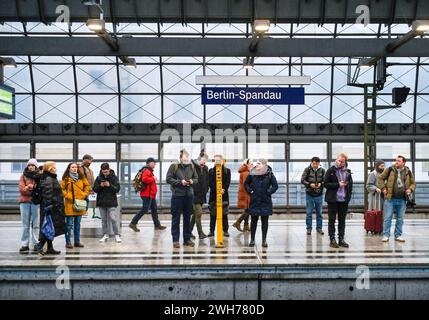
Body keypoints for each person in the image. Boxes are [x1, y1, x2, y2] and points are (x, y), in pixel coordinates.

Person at [377, 155, 416, 243]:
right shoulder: (390, 169)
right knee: (388, 217)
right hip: (390, 198)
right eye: (396, 160)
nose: (396, 162)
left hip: (402, 199)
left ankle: (398, 235)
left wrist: (410, 189)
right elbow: (380, 178)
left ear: (403, 163)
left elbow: (413, 183)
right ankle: (386, 235)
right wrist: (383, 188)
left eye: (398, 161)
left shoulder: (408, 172)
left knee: (400, 218)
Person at [166, 149, 199, 248]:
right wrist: (181, 182)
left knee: (187, 218)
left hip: (189, 196)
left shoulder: (192, 167)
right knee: (176, 218)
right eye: (184, 157)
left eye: (187, 157)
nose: (186, 159)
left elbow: (196, 178)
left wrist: (192, 181)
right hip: (177, 196)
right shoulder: (174, 166)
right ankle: (175, 240)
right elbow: (168, 179)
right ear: (180, 158)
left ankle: (187, 239)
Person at [244, 159, 278, 247]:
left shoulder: (269, 174)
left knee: (264, 221)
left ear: (264, 165)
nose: (257, 165)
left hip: (265, 200)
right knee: (254, 221)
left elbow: (275, 186)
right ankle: (252, 240)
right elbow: (246, 184)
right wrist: (250, 191)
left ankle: (264, 240)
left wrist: (269, 192)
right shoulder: (252, 173)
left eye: (259, 163)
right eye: (257, 163)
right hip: (255, 200)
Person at [34, 161, 66, 255]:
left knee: (50, 227)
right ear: (50, 168)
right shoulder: (48, 178)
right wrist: (49, 206)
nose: (56, 168)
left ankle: (50, 248)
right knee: (47, 227)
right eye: (54, 166)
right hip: (50, 207)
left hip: (51, 206)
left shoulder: (49, 177)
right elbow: (47, 193)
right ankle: (40, 245)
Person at [324, 153, 353, 249]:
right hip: (333, 199)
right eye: (339, 160)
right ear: (336, 160)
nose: (340, 163)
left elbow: (350, 185)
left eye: (342, 161)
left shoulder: (347, 172)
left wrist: (348, 196)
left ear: (345, 162)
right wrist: (338, 184)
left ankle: (341, 239)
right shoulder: (331, 170)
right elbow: (326, 184)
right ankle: (332, 239)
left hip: (343, 200)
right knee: (331, 220)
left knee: (342, 220)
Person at [129, 158, 166, 232]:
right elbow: (144, 179)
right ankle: (133, 223)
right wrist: (153, 178)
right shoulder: (146, 170)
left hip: (151, 194)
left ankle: (157, 225)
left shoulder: (148, 170)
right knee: (145, 209)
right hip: (147, 194)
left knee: (154, 209)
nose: (155, 164)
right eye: (153, 162)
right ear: (148, 163)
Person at [61, 163, 90, 249]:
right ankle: (68, 242)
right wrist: (67, 196)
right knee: (69, 225)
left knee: (78, 224)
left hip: (79, 203)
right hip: (70, 204)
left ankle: (77, 241)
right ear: (69, 169)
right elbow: (62, 189)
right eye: (72, 167)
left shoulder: (82, 178)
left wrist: (84, 194)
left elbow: (87, 186)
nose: (74, 169)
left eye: (76, 167)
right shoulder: (66, 179)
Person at [93, 163, 122, 243]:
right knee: (104, 220)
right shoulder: (98, 178)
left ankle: (117, 235)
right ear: (101, 170)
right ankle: (105, 235)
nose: (105, 173)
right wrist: (100, 186)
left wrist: (109, 185)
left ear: (109, 169)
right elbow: (95, 189)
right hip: (101, 202)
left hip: (111, 202)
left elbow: (117, 189)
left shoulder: (114, 178)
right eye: (103, 172)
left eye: (106, 171)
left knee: (113, 218)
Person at [18, 158, 40, 253]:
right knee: (25, 224)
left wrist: (29, 187)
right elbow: (21, 189)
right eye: (29, 165)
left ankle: (36, 243)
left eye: (33, 165)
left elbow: (39, 189)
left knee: (36, 224)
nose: (31, 167)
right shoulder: (23, 176)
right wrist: (31, 188)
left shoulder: (39, 176)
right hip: (24, 202)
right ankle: (24, 244)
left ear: (36, 166)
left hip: (35, 203)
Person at [207, 154, 231, 238]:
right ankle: (211, 231)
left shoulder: (227, 171)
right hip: (214, 196)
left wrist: (222, 190)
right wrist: (217, 190)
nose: (216, 161)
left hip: (224, 195)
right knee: (213, 215)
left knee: (224, 214)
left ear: (222, 160)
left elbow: (227, 183)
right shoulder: (211, 171)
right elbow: (210, 183)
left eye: (218, 160)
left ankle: (225, 230)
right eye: (215, 160)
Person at [301, 156, 326, 235]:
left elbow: (325, 181)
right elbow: (302, 180)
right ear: (311, 163)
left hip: (319, 194)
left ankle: (319, 228)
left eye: (317, 163)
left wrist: (320, 184)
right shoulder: (307, 170)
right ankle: (309, 229)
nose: (315, 165)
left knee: (319, 213)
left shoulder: (322, 170)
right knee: (309, 213)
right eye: (314, 163)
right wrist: (309, 184)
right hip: (309, 194)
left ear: (319, 163)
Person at [190, 150, 209, 240]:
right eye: (204, 159)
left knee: (195, 215)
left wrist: (206, 189)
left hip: (202, 194)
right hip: (194, 194)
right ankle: (200, 233)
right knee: (199, 213)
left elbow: (206, 180)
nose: (205, 161)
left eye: (206, 160)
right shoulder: (192, 167)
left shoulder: (205, 168)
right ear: (199, 158)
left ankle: (188, 232)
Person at [233, 159, 253, 232]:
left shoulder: (245, 172)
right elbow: (246, 184)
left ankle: (246, 226)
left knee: (247, 209)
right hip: (246, 193)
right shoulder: (246, 173)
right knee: (249, 210)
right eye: (251, 164)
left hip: (244, 193)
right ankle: (238, 222)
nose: (252, 165)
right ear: (247, 165)